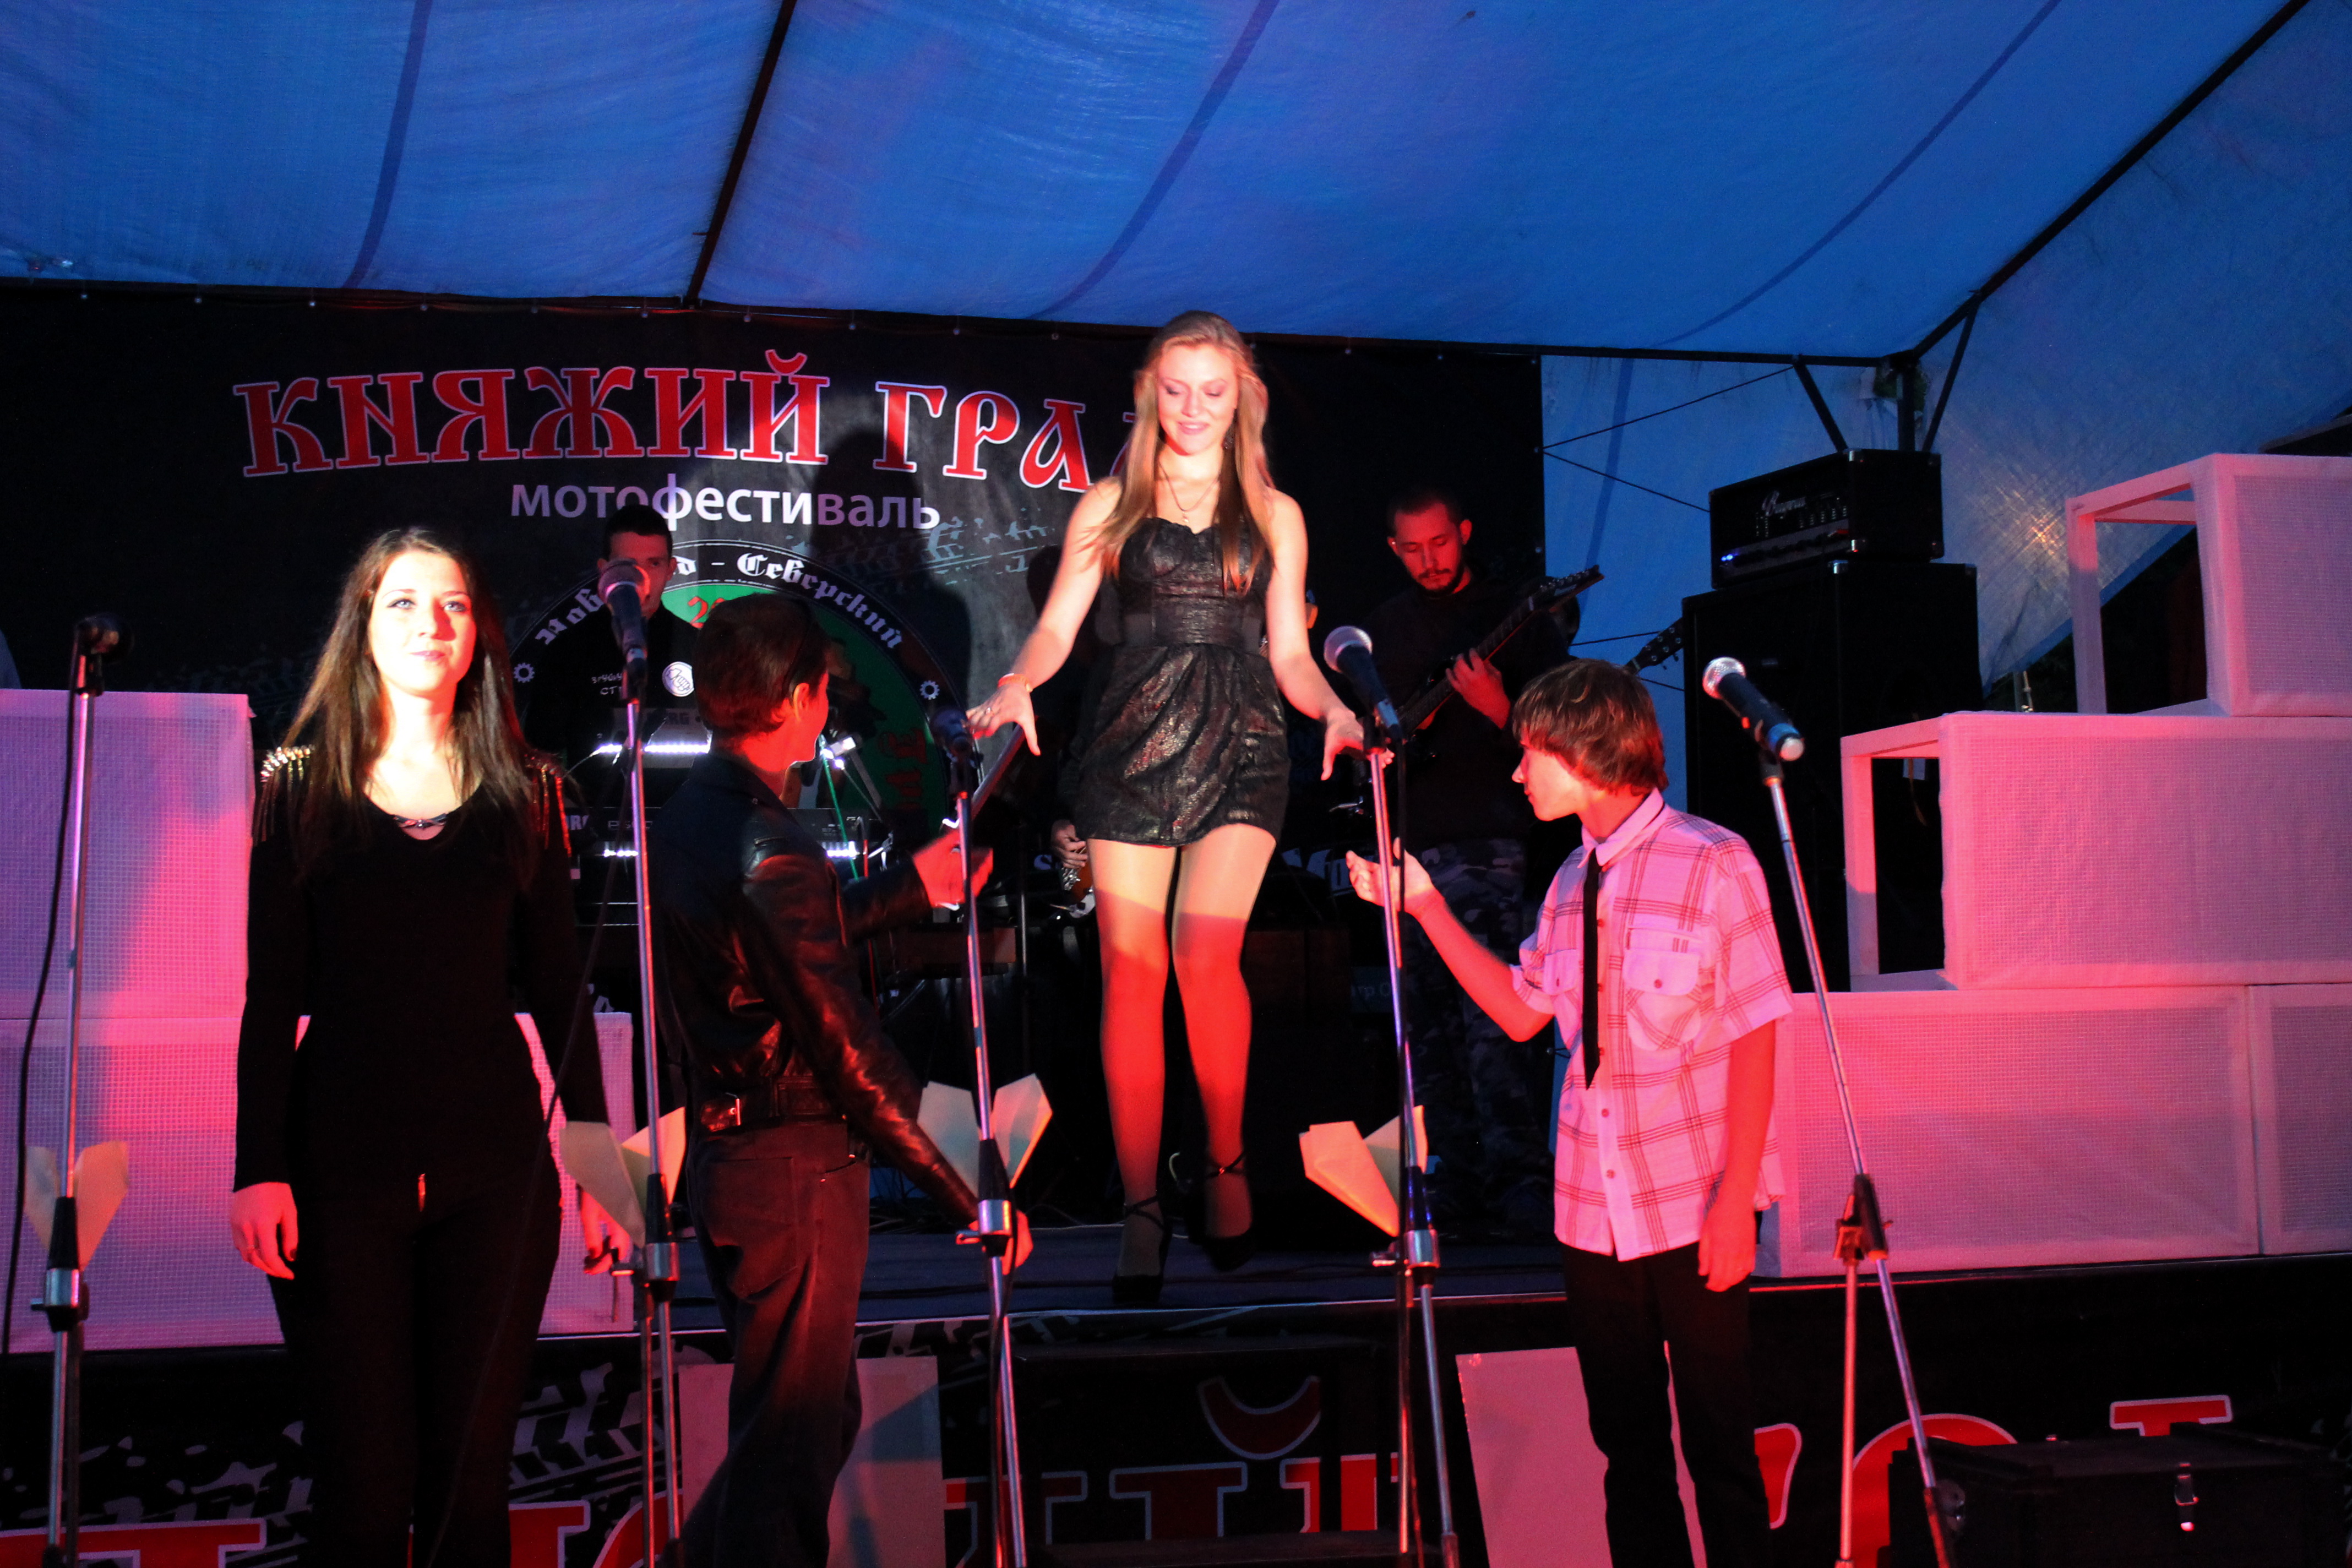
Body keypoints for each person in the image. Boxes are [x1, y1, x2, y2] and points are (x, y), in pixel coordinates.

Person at [230, 527, 627, 1568]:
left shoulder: (527, 788)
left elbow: (559, 989)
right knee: (364, 1489)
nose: (430, 624)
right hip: (338, 1167)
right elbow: (270, 997)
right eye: (403, 603)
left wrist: (598, 1163)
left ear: (478, 632)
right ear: (362, 626)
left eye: (451, 604)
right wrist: (257, 1167)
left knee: (469, 1489)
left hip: (494, 1170)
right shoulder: (298, 783)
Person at [1346, 659, 1788, 1567]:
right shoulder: (1568, 882)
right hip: (1592, 1212)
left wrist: (1736, 1198)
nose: (1517, 773)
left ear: (1586, 754)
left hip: (1692, 1202)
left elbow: (1757, 1032)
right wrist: (1423, 905)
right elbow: (1520, 1011)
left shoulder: (1715, 861)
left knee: (1720, 1446)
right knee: (1629, 1452)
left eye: (1530, 755)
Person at [968, 311, 1363, 1303]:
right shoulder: (1109, 504)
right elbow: (1056, 627)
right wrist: (1017, 683)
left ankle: (1223, 1163)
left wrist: (1334, 709)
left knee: (1204, 954)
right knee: (1133, 972)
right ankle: (1142, 1205)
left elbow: (1289, 653)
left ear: (1241, 399)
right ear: (1150, 391)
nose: (1193, 408)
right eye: (1177, 390)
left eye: (1212, 391)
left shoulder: (1275, 512)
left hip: (1244, 739)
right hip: (1130, 739)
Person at [652, 593, 1025, 1568]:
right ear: (799, 699)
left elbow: (770, 949)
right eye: (824, 688)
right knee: (789, 1449)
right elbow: (848, 1048)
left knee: (795, 1427)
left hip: (738, 1160)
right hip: (793, 1166)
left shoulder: (696, 814)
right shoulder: (770, 842)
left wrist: (910, 887)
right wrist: (968, 1187)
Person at [1362, 487, 1569, 1238]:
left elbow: (1564, 734)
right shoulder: (1385, 628)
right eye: (1413, 549)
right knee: (1430, 1025)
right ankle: (1455, 1176)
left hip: (1492, 840)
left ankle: (1521, 1178)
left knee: (1494, 1014)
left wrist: (1498, 707)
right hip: (1413, 842)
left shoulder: (1516, 614)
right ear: (1394, 549)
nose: (1430, 560)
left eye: (1441, 543)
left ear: (1466, 532)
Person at [518, 503, 699, 771]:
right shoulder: (568, 651)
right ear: (605, 570)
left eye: (654, 564)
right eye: (627, 565)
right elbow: (542, 756)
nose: (642, 578)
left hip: (685, 799)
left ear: (671, 569)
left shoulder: (700, 648)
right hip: (595, 798)